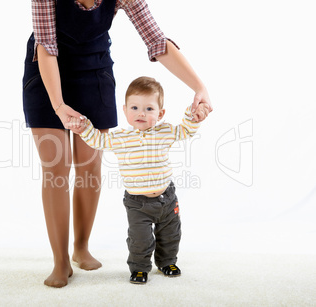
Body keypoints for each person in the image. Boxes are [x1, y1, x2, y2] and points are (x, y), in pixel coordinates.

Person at [22, 0, 212, 288]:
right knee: (55, 170)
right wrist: (58, 105)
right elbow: (46, 46)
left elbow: (157, 42)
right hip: (47, 73)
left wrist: (199, 87)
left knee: (89, 166)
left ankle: (81, 247)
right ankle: (60, 260)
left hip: (95, 73)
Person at [66, 76, 210, 284]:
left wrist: (193, 116)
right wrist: (84, 128)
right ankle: (140, 268)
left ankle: (167, 261)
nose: (141, 113)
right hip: (137, 203)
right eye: (134, 107)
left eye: (149, 109)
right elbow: (98, 140)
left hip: (167, 199)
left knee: (171, 235)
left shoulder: (164, 131)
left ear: (160, 114)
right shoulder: (120, 138)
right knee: (139, 239)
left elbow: (185, 131)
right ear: (124, 111)